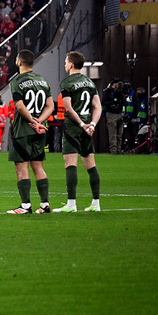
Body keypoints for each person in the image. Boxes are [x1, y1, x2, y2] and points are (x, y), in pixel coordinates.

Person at [7, 49, 55, 213]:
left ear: (19, 62)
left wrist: (31, 121)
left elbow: (20, 106)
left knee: (21, 167)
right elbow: (51, 106)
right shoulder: (42, 80)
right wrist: (40, 121)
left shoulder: (17, 80)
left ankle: (26, 205)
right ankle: (45, 204)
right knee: (38, 166)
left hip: (23, 130)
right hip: (40, 130)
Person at [55, 51, 102, 212]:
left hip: (74, 127)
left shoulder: (67, 83)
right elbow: (97, 106)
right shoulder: (90, 83)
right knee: (91, 165)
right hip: (88, 126)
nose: (64, 65)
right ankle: (96, 204)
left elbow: (68, 109)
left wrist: (82, 124)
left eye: (66, 62)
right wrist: (92, 124)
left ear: (71, 64)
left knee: (70, 164)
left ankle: (71, 204)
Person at [102, 80, 125, 153]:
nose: (117, 86)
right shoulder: (108, 92)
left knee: (120, 133)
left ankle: (118, 148)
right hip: (111, 113)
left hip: (119, 113)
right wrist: (112, 103)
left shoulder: (120, 92)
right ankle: (113, 149)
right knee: (112, 133)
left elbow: (123, 102)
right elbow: (104, 102)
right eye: (116, 84)